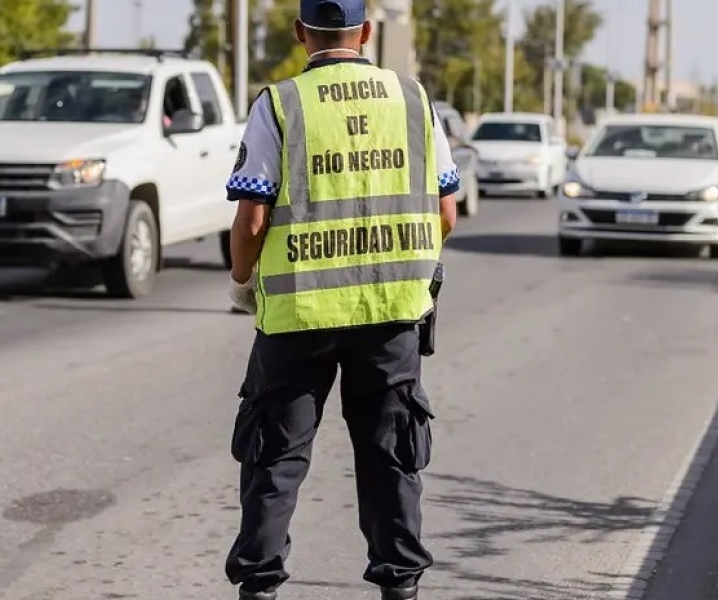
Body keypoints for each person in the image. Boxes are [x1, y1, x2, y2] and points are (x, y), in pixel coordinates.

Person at [221, 1, 461, 598]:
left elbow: (252, 219)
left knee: (275, 458)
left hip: (299, 318)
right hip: (391, 317)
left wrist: (241, 278)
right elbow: (446, 211)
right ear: (367, 32)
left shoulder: (279, 104)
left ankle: (259, 587)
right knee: (391, 458)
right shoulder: (413, 100)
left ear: (301, 33)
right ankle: (400, 586)